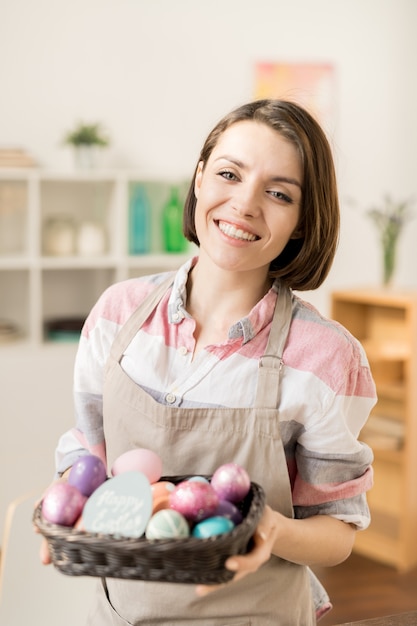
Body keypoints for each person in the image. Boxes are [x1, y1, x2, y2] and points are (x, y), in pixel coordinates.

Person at [37, 99, 376, 625]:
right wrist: (68, 508)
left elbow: (338, 533)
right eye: (228, 174)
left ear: (303, 220)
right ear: (199, 179)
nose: (244, 204)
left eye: (278, 192)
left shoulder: (325, 356)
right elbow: (87, 457)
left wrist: (276, 531)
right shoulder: (117, 316)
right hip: (119, 613)